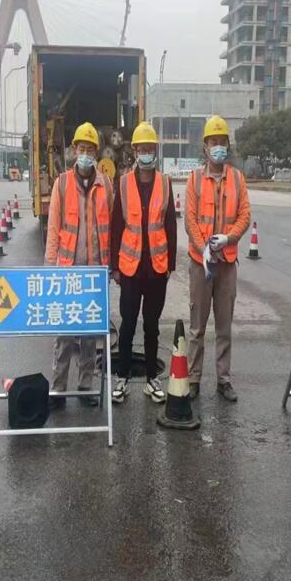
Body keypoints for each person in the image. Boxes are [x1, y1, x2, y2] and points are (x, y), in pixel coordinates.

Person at [45, 122, 113, 409]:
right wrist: (51, 268)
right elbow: (53, 229)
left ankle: (86, 386)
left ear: (96, 154)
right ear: (74, 151)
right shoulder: (61, 184)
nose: (85, 154)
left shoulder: (105, 185)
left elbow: (111, 226)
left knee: (89, 333)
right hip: (66, 270)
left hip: (95, 271)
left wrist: (109, 268)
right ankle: (58, 388)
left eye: (90, 149)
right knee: (63, 334)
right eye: (81, 148)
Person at [184, 115, 250, 402]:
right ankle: (194, 377)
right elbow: (190, 219)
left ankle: (224, 379)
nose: (219, 147)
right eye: (214, 142)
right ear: (206, 147)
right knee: (197, 326)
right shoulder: (195, 179)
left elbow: (245, 215)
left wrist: (228, 238)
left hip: (227, 264)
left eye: (223, 142)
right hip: (201, 264)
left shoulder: (237, 178)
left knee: (224, 325)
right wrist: (204, 248)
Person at [110, 122, 177, 404]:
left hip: (157, 269)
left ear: (155, 152)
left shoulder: (165, 183)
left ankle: (151, 378)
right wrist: (114, 265)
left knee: (152, 325)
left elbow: (170, 225)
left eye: (150, 149)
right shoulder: (124, 183)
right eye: (142, 148)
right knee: (127, 324)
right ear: (134, 151)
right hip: (130, 268)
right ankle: (122, 378)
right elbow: (116, 226)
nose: (146, 153)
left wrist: (171, 263)